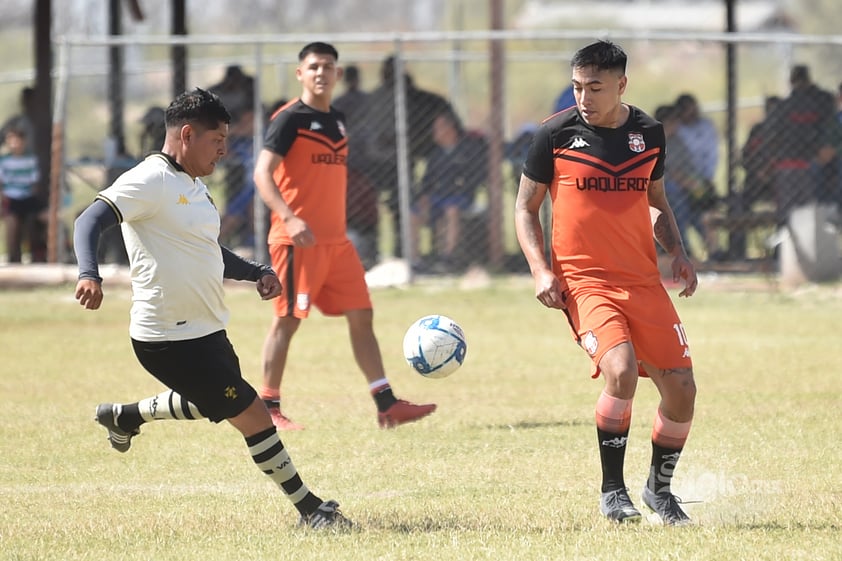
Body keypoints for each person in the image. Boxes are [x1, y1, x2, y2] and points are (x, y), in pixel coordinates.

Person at [72, 87, 350, 529]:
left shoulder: (193, 186)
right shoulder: (150, 179)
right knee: (253, 413)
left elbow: (207, 250)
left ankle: (123, 416)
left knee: (213, 402)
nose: (224, 149)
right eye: (217, 140)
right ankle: (310, 510)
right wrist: (89, 274)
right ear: (186, 134)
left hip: (205, 330)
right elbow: (89, 219)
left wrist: (255, 270)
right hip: (167, 337)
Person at [514, 40, 698, 526]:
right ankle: (613, 492)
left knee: (681, 388)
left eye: (595, 87)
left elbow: (655, 200)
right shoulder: (553, 135)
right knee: (619, 369)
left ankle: (659, 491)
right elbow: (525, 208)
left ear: (622, 85)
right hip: (584, 280)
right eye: (577, 86)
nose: (584, 97)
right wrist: (540, 269)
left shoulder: (649, 133)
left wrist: (677, 251)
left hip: (643, 281)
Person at [252, 42, 436, 431]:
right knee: (286, 321)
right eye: (314, 66)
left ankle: (386, 404)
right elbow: (262, 173)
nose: (321, 72)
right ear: (300, 73)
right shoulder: (289, 119)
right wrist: (290, 217)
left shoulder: (338, 120)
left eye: (328, 66)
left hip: (336, 243)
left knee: (362, 315)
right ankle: (268, 408)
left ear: (337, 74)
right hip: (296, 240)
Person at [411, 106, 488, 272]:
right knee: (414, 213)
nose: (434, 133)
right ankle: (415, 260)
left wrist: (456, 191)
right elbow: (427, 181)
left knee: (451, 210)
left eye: (438, 128)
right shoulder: (436, 154)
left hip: (460, 197)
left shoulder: (467, 150)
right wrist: (423, 197)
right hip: (437, 198)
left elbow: (473, 179)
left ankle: (448, 259)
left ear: (450, 129)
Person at [760, 64, 837, 224]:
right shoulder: (824, 100)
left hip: (796, 166)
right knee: (809, 211)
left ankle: (791, 241)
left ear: (791, 81)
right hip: (813, 165)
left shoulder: (786, 105)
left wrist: (770, 163)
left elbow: (772, 137)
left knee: (791, 214)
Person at [333, 65, 379, 269]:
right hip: (364, 162)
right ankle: (366, 252)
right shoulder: (364, 101)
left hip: (357, 162)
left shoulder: (339, 103)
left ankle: (366, 252)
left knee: (355, 206)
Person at [0, 126, 42, 263]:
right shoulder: (4, 161)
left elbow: (34, 181)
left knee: (32, 225)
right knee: (12, 227)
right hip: (11, 198)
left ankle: (36, 256)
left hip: (27, 197)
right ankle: (14, 259)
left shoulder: (30, 159)